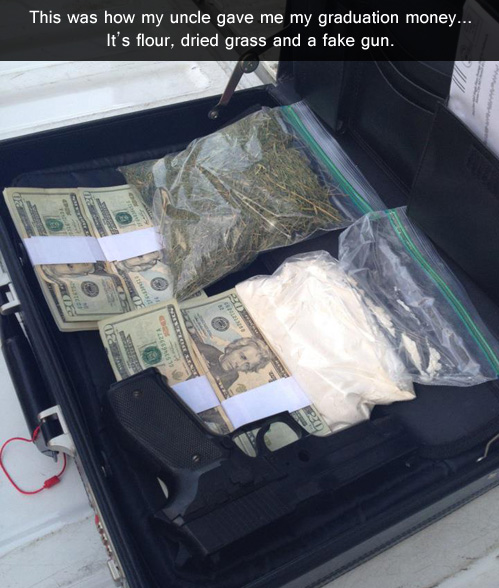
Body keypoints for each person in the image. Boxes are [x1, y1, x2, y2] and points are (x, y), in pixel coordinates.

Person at [196, 336, 273, 391]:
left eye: (247, 365)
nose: (239, 364)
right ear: (233, 348)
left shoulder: (233, 376)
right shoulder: (208, 350)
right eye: (242, 357)